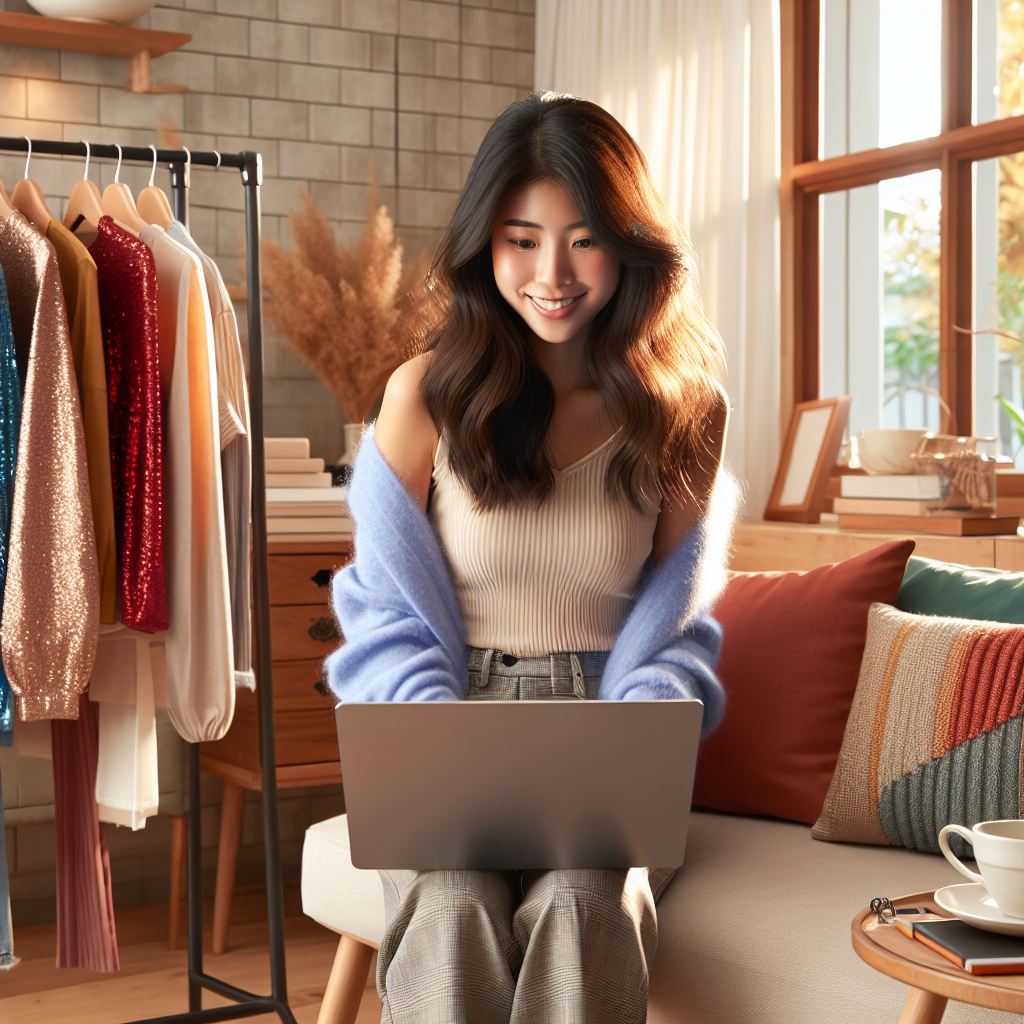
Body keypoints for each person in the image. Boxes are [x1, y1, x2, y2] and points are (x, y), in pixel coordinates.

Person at [326, 92, 732, 1024]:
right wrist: (436, 749)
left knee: (583, 902)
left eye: (584, 238)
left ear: (630, 245)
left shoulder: (685, 411)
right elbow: (385, 610)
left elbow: (672, 627)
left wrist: (639, 736)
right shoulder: (423, 393)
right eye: (522, 238)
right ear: (485, 246)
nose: (553, 273)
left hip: (609, 727)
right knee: (456, 901)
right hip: (446, 713)